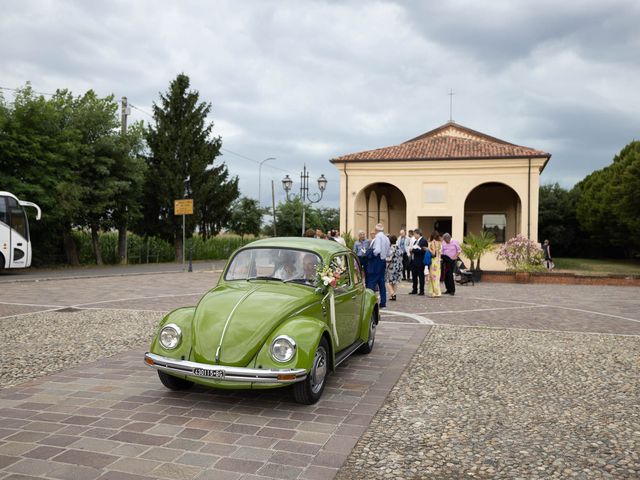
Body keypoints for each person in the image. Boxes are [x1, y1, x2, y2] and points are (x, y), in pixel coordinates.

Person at [366, 223, 391, 308]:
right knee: (381, 282)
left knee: (371, 281)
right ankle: (383, 302)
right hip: (383, 261)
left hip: (376, 261)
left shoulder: (378, 237)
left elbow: (377, 250)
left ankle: (370, 301)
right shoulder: (387, 238)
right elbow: (389, 253)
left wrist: (370, 254)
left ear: (376, 230)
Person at [409, 228, 428, 296]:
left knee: (421, 277)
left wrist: (413, 250)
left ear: (418, 234)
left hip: (420, 261)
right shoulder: (415, 241)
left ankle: (421, 290)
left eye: (414, 234)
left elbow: (423, 251)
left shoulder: (423, 241)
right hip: (414, 261)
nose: (414, 235)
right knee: (414, 276)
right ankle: (414, 289)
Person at [386, 234, 403, 301]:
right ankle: (393, 295)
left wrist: (384, 259)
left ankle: (392, 293)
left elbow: (389, 258)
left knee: (387, 281)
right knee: (394, 282)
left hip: (392, 267)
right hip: (399, 266)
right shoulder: (399, 247)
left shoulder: (391, 248)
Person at [427, 231, 442, 297]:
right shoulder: (439, 243)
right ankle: (437, 291)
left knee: (433, 277)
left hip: (433, 261)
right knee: (437, 277)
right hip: (438, 261)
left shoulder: (432, 242)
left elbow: (433, 253)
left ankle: (435, 292)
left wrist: (428, 249)